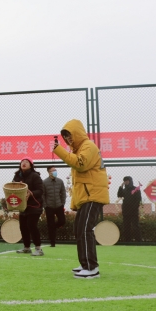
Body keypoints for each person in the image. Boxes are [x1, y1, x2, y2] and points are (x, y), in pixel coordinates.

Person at [53, 119, 109, 279]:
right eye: (65, 136)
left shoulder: (88, 146)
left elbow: (80, 164)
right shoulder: (81, 148)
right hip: (88, 196)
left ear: (77, 133)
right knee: (79, 229)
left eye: (69, 135)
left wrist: (59, 151)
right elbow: (79, 180)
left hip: (93, 196)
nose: (68, 139)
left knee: (84, 229)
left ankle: (91, 267)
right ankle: (86, 264)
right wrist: (75, 202)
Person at [13, 158, 45, 256]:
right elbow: (12, 188)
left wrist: (31, 193)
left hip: (35, 205)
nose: (24, 163)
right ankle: (26, 248)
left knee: (31, 225)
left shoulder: (35, 176)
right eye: (22, 162)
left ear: (31, 165)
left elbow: (40, 190)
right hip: (23, 205)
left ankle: (38, 249)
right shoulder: (17, 176)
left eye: (27, 162)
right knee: (23, 226)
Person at [43, 166, 66, 247]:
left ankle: (53, 227)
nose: (55, 172)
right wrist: (45, 205)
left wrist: (62, 203)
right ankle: (52, 243)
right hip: (49, 206)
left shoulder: (60, 181)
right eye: (53, 170)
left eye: (55, 170)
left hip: (59, 205)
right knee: (50, 224)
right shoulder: (44, 182)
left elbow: (63, 193)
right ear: (49, 172)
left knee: (62, 221)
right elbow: (43, 195)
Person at [117, 176, 142, 243]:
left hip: (134, 211)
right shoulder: (124, 190)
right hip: (126, 211)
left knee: (135, 226)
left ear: (130, 181)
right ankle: (127, 241)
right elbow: (119, 195)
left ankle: (138, 241)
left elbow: (138, 200)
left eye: (127, 180)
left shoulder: (136, 189)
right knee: (126, 226)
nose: (126, 182)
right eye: (125, 181)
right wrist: (121, 187)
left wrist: (134, 208)